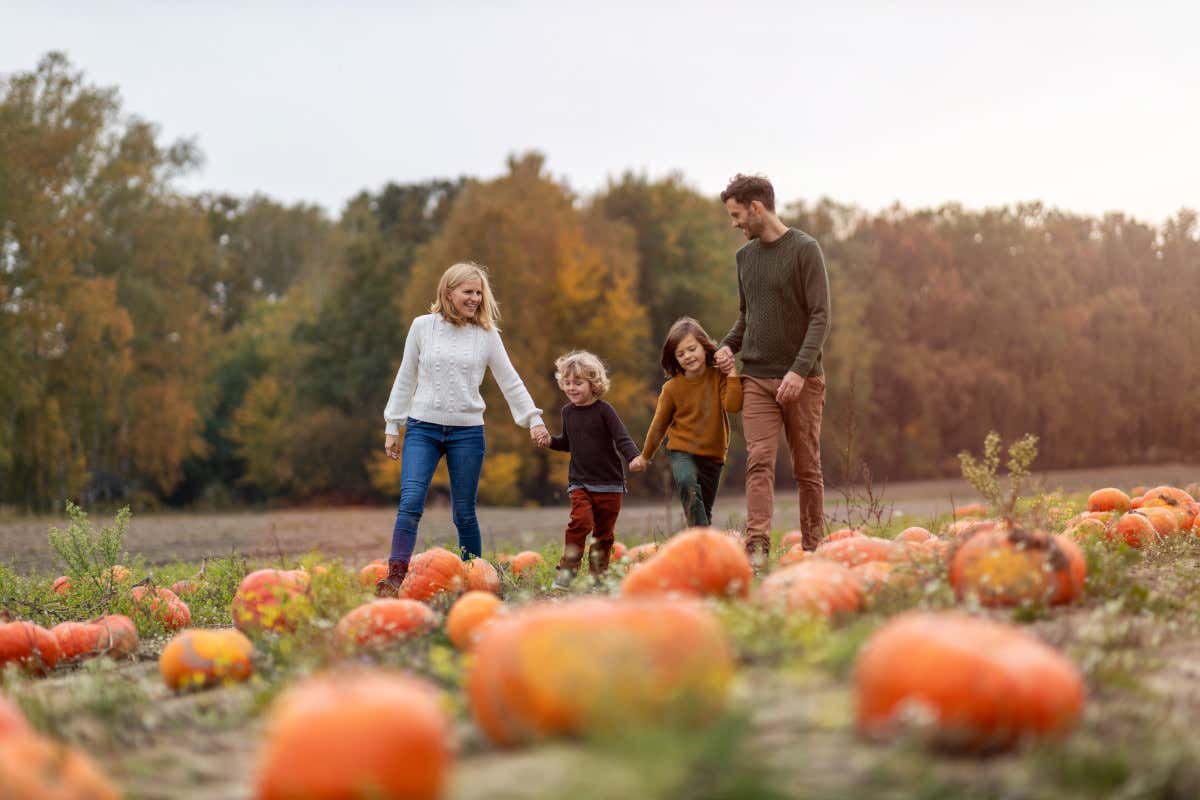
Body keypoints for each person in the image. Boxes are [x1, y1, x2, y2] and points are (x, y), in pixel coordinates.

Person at [377, 261, 550, 597]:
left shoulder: (486, 335)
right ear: (449, 291)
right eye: (468, 292)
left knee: (464, 512)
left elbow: (509, 380)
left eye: (479, 293)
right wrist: (392, 424)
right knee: (410, 502)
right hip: (422, 429)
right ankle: (395, 577)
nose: (475, 298)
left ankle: (476, 581)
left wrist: (534, 418)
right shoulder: (422, 327)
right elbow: (406, 375)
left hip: (467, 433)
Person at [714, 174, 831, 568]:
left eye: (737, 215)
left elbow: (820, 317)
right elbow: (747, 317)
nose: (735, 223)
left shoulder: (805, 250)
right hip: (756, 379)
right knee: (759, 461)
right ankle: (757, 548)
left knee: (806, 467)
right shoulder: (744, 258)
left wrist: (798, 371)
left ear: (757, 207)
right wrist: (728, 346)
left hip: (803, 380)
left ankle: (815, 547)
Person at [540, 350, 646, 590]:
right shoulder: (567, 412)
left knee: (603, 536)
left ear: (594, 383)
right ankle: (567, 571)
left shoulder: (605, 410)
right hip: (580, 482)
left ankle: (598, 578)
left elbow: (622, 438)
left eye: (578, 382)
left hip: (610, 483)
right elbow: (568, 442)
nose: (571, 388)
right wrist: (550, 442)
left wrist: (634, 457)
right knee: (580, 522)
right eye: (567, 383)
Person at [639, 317, 742, 529]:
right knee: (686, 483)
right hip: (682, 452)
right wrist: (645, 456)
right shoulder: (671, 389)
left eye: (691, 349)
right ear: (674, 359)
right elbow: (658, 425)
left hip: (713, 457)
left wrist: (731, 372)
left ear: (704, 348)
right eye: (680, 354)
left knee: (704, 511)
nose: (687, 356)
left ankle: (700, 547)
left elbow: (733, 406)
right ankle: (701, 540)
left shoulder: (719, 378)